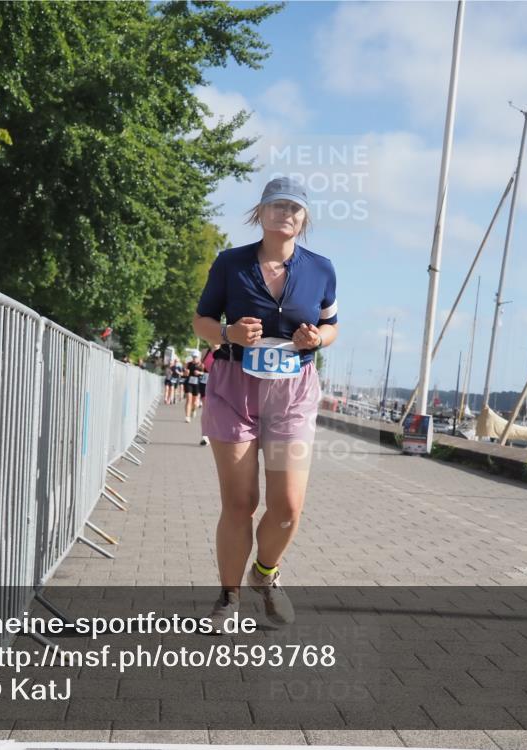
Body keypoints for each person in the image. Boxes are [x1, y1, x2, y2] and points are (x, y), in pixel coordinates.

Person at [192, 176, 338, 630]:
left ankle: (265, 575)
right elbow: (201, 321)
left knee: (288, 506)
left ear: (305, 218)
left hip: (292, 392)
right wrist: (227, 334)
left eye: (294, 208)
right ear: (260, 212)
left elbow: (332, 324)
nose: (285, 214)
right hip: (234, 386)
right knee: (240, 502)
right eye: (276, 206)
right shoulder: (231, 264)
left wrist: (318, 338)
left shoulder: (321, 268)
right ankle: (228, 597)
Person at [184, 350, 203, 422]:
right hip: (189, 383)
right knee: (189, 399)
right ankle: (187, 416)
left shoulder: (201, 365)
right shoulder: (188, 364)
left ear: (199, 357)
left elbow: (205, 374)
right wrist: (186, 372)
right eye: (193, 357)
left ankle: (193, 410)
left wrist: (199, 373)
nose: (194, 358)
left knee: (195, 402)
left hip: (197, 384)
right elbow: (184, 374)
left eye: (196, 357)